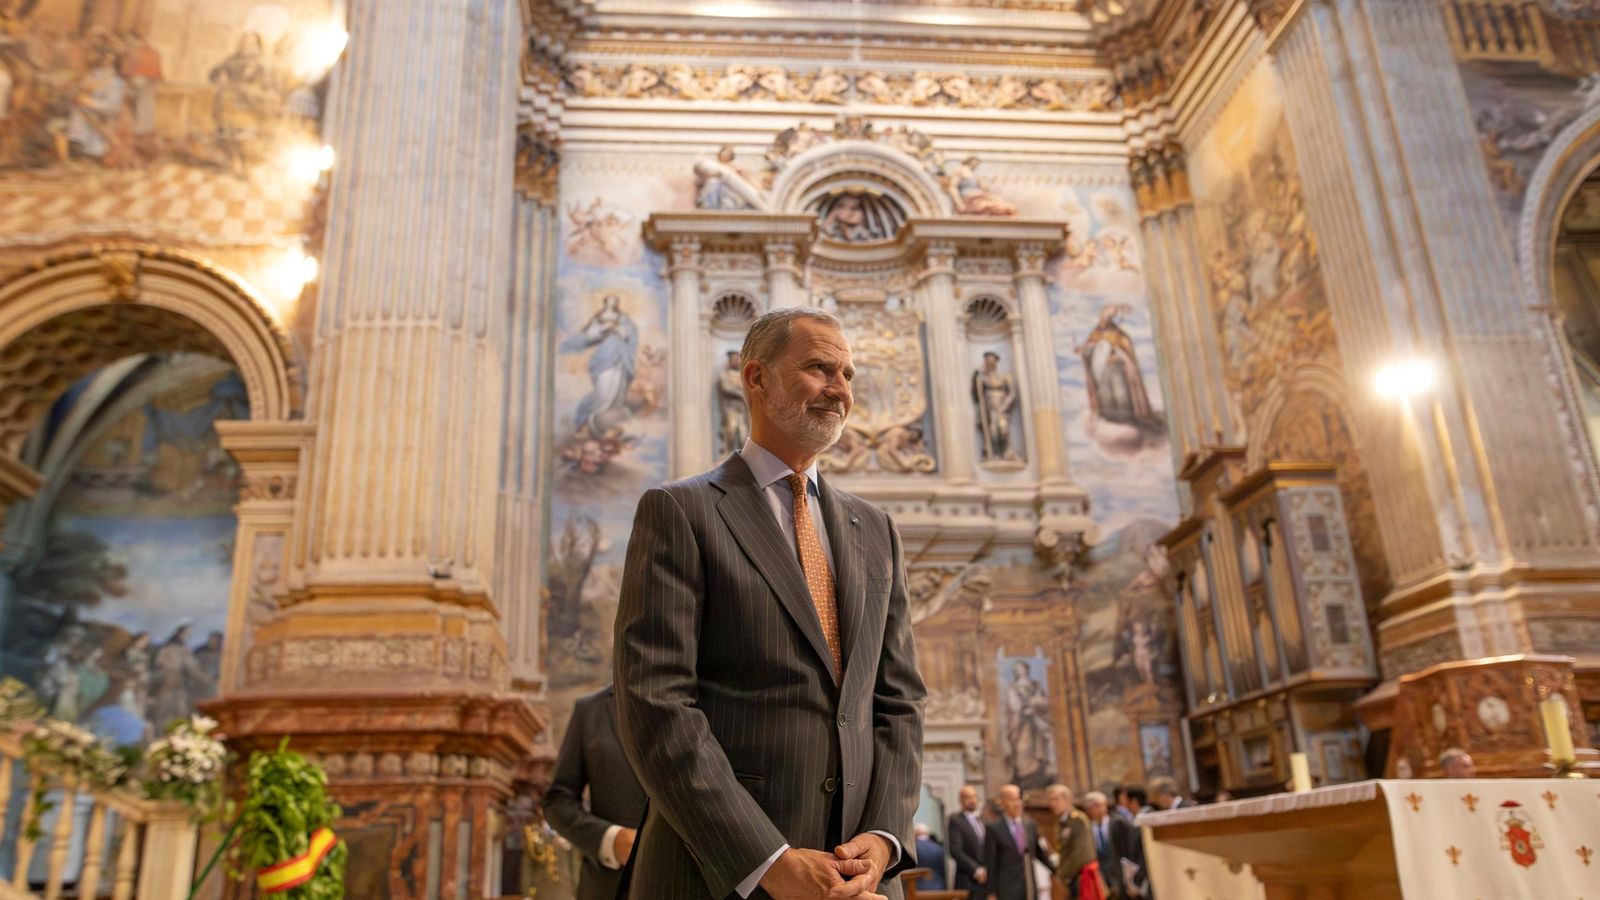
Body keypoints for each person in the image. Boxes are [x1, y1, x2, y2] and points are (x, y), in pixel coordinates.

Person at [614, 306, 925, 900]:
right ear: (756, 377)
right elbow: (656, 704)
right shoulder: (681, 511)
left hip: (855, 881)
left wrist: (884, 837)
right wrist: (768, 860)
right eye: (819, 369)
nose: (840, 390)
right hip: (717, 873)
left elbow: (898, 699)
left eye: (848, 375)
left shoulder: (875, 528)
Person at [540, 684, 648, 900]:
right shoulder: (590, 709)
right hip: (610, 887)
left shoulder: (707, 701)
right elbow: (557, 801)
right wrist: (612, 839)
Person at [982, 784, 1052, 900]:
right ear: (1002, 803)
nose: (1017, 804)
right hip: (1006, 890)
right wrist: (991, 892)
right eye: (1012, 800)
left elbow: (1039, 853)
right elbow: (990, 863)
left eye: (1019, 799)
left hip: (1028, 886)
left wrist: (1058, 871)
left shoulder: (1029, 824)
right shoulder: (994, 828)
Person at [1083, 791, 1143, 899]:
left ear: (1104, 805)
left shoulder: (1118, 822)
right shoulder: (1089, 827)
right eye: (1089, 807)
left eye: (1095, 806)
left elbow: (1130, 849)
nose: (1091, 810)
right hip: (1104, 877)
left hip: (1123, 874)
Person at [1045, 784, 1097, 899]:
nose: (1052, 804)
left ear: (1067, 800)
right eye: (1050, 800)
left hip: (1080, 877)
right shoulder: (1062, 822)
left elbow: (1079, 853)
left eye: (1056, 799)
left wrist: (1061, 875)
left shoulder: (1077, 820)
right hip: (1071, 878)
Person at [946, 784, 989, 892]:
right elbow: (955, 850)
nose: (972, 800)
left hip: (987, 880)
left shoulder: (983, 820)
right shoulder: (956, 820)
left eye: (974, 796)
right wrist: (977, 870)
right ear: (961, 800)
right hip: (968, 880)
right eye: (968, 797)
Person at [912, 824, 946, 890]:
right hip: (939, 886)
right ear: (928, 834)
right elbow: (943, 869)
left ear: (915, 834)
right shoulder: (939, 848)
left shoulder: (913, 849)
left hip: (918, 888)